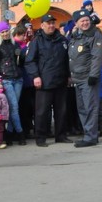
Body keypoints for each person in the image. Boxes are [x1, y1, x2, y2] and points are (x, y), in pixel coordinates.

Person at [25, 15, 71, 147]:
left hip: (60, 80)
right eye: (48, 23)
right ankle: (40, 138)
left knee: (61, 111)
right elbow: (30, 61)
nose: (51, 25)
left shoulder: (62, 40)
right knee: (41, 112)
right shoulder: (37, 41)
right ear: (42, 25)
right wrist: (35, 76)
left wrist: (68, 75)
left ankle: (61, 136)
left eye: (52, 23)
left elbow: (66, 60)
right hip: (44, 82)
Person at [67, 8, 102, 147]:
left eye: (87, 20)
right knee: (82, 108)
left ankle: (91, 136)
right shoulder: (76, 36)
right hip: (77, 78)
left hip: (88, 78)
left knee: (90, 107)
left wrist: (94, 75)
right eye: (82, 21)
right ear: (76, 23)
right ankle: (88, 134)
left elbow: (97, 56)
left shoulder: (95, 34)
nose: (85, 23)